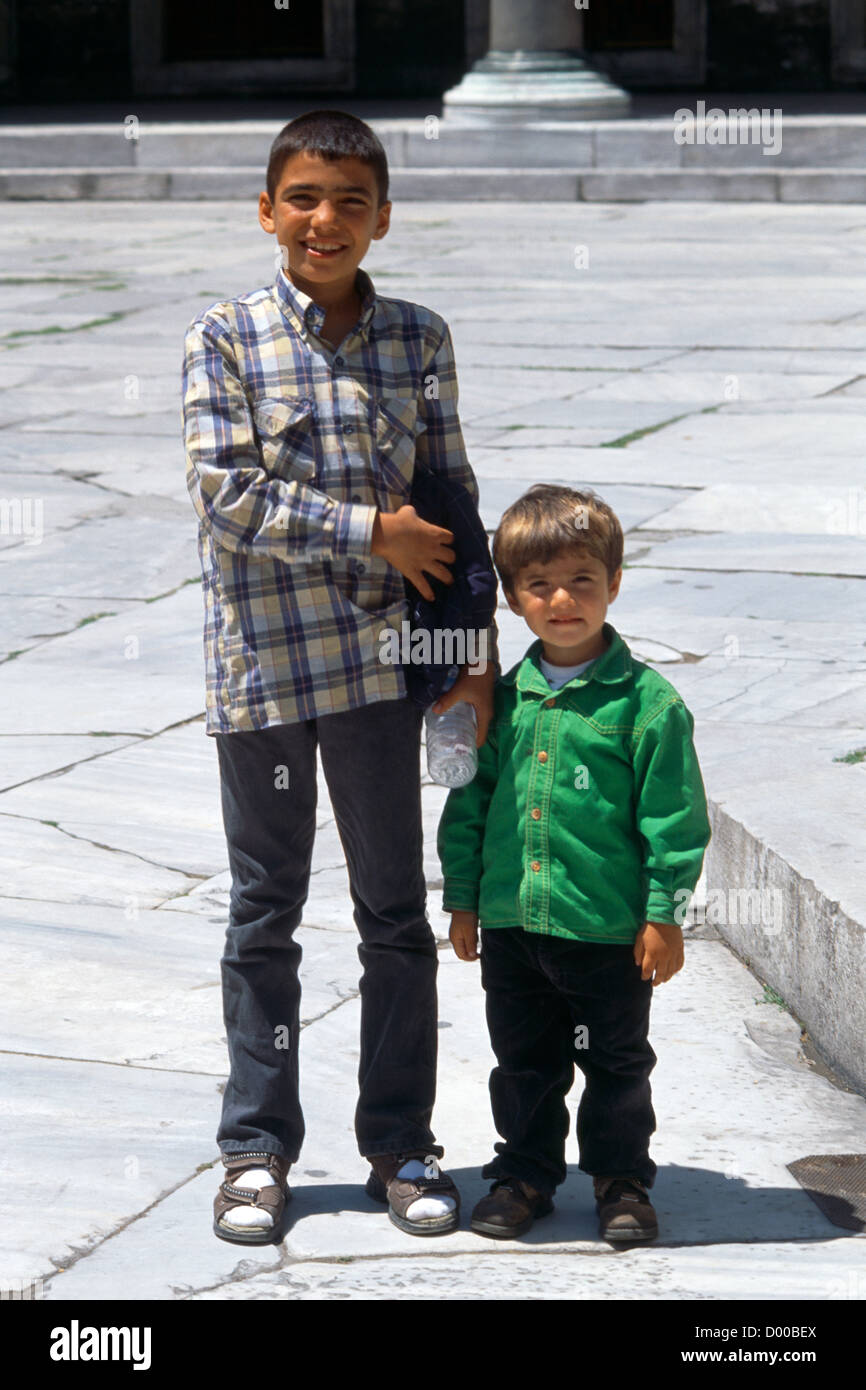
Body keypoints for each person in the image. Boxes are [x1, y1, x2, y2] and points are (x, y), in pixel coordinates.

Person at [182, 109, 499, 1244]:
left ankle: (400, 1143)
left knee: (392, 915)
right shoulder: (223, 338)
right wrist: (372, 532)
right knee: (264, 913)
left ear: (380, 217)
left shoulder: (418, 337)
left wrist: (474, 651)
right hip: (262, 674)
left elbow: (453, 498)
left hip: (378, 671)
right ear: (267, 211)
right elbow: (228, 497)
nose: (326, 220)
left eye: (350, 201)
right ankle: (256, 1148)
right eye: (304, 198)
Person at [437, 484, 711, 1243]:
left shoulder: (648, 707)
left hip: (607, 935)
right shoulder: (504, 701)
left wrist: (664, 915)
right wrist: (464, 898)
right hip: (515, 929)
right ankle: (524, 1174)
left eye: (582, 581)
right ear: (516, 600)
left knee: (618, 1066)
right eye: (539, 585)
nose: (563, 599)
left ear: (613, 584)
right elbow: (470, 802)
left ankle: (622, 1182)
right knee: (524, 1064)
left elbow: (676, 822)